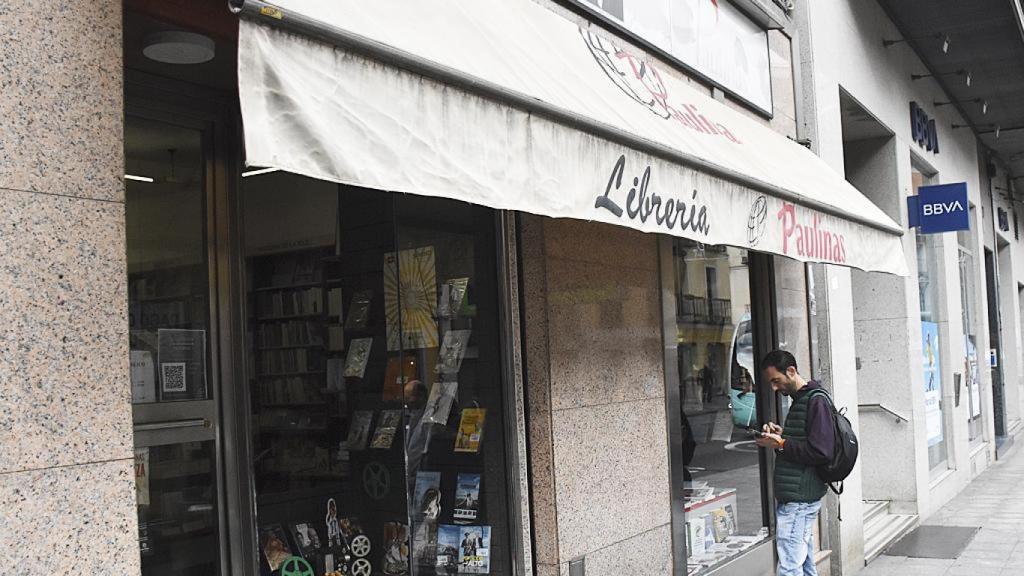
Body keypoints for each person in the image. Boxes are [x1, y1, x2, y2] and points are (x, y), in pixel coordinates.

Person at [754, 350, 834, 576]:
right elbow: (807, 441)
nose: (774, 388)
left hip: (799, 499)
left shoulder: (815, 400)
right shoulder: (804, 400)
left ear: (791, 371)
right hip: (799, 496)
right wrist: (782, 436)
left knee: (789, 567)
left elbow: (821, 451)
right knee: (805, 564)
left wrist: (781, 444)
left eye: (776, 381)